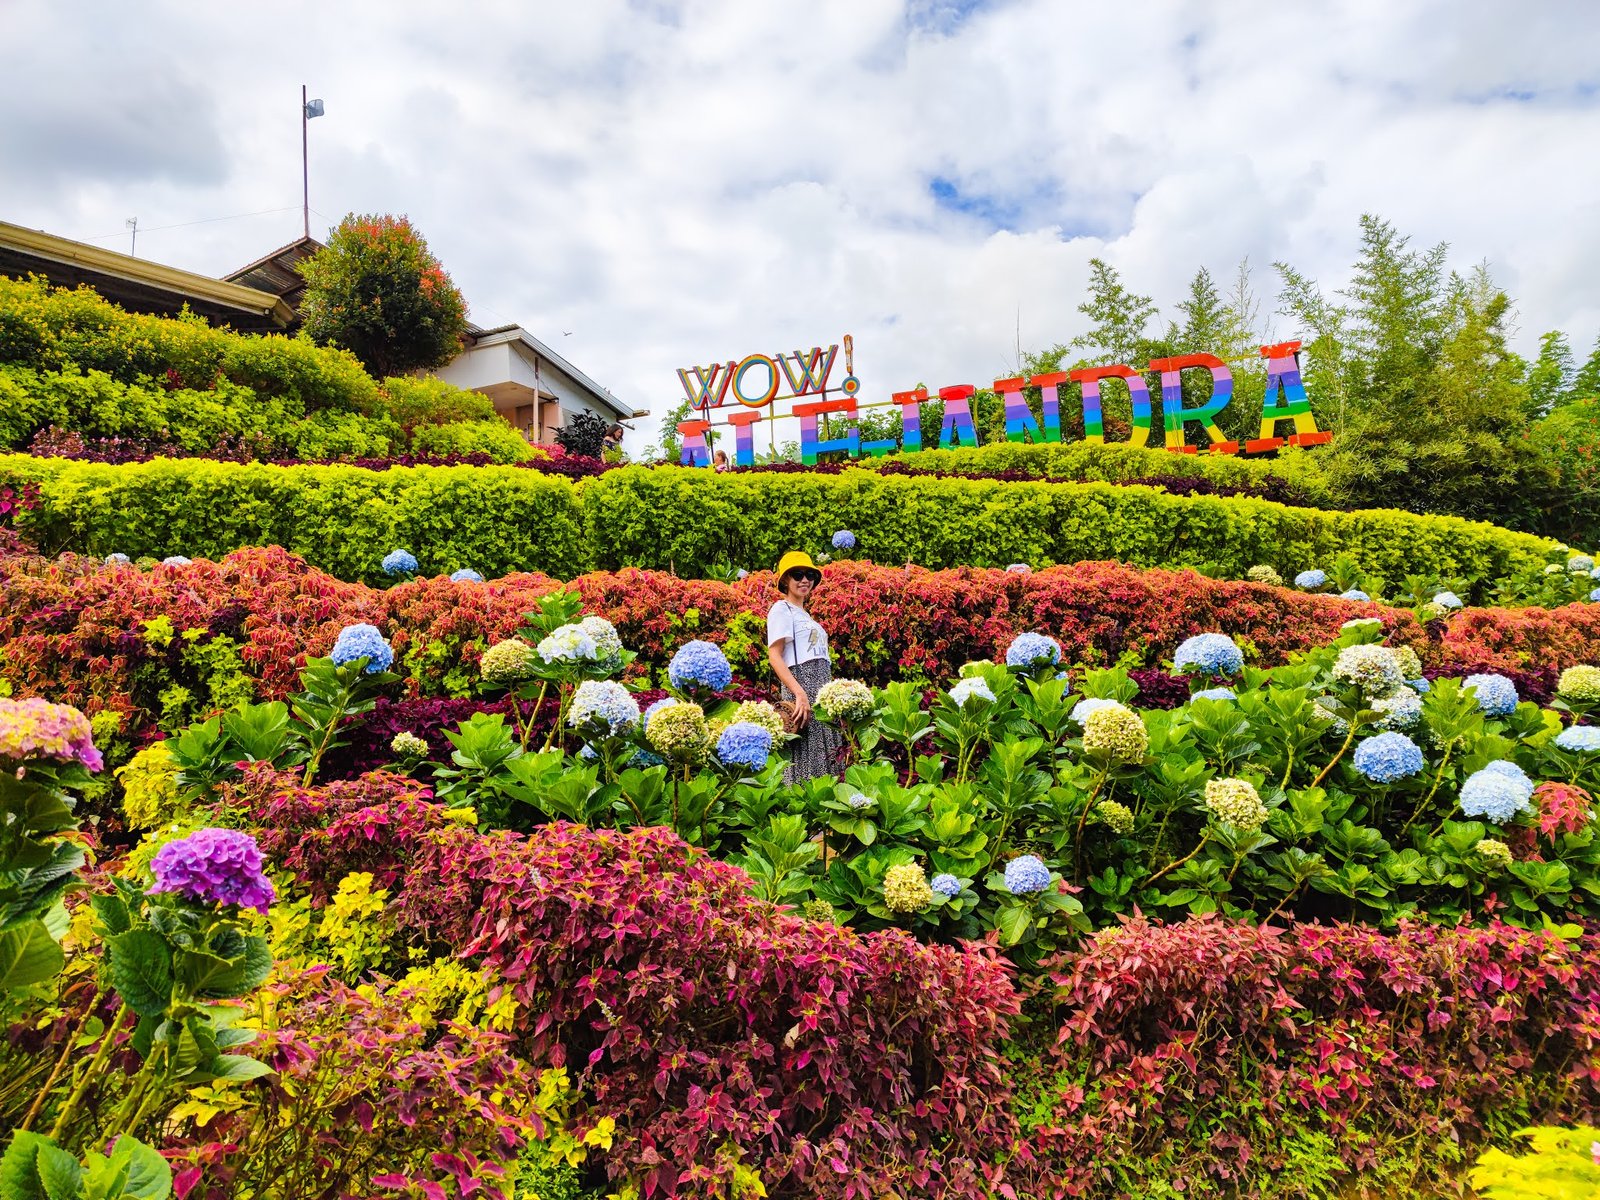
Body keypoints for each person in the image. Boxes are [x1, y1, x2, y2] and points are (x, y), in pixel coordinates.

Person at [767, 551, 844, 783]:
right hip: (802, 685)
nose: (804, 580)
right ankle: (803, 804)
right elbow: (775, 655)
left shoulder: (806, 616)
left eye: (809, 575)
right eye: (797, 574)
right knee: (806, 756)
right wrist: (799, 693)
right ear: (785, 580)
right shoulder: (781, 609)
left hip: (821, 689)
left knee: (827, 755)